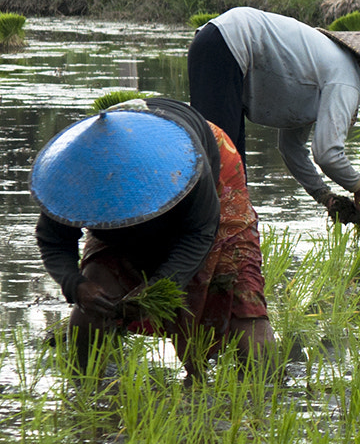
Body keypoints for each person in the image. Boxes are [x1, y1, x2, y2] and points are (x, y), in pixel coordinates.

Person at [32, 97, 274, 378]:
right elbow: (53, 239)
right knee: (97, 286)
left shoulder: (185, 161)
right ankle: (87, 387)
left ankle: (265, 393)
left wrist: (158, 289)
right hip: (119, 215)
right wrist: (75, 285)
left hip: (211, 174)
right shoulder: (73, 172)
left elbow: (199, 233)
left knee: (238, 289)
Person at [187, 6, 360, 220]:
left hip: (217, 43)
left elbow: (291, 149)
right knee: (219, 174)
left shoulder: (323, 68)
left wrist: (324, 195)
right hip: (227, 45)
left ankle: (222, 253)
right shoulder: (347, 78)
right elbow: (327, 153)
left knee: (233, 177)